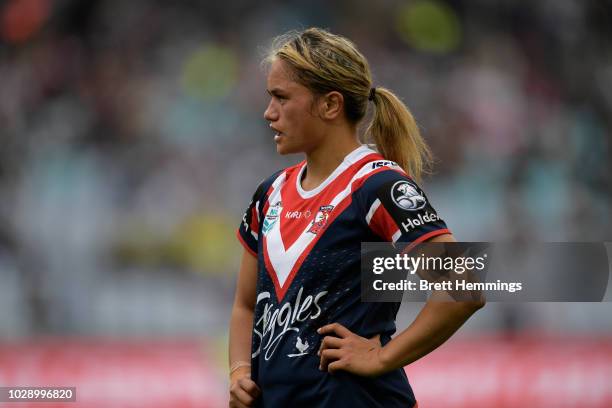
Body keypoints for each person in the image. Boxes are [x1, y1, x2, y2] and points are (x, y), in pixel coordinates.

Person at [229, 27, 484, 408]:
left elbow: (463, 287)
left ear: (330, 105)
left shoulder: (377, 185)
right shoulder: (269, 195)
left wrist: (382, 356)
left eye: (282, 98)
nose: (269, 112)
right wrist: (238, 371)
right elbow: (246, 305)